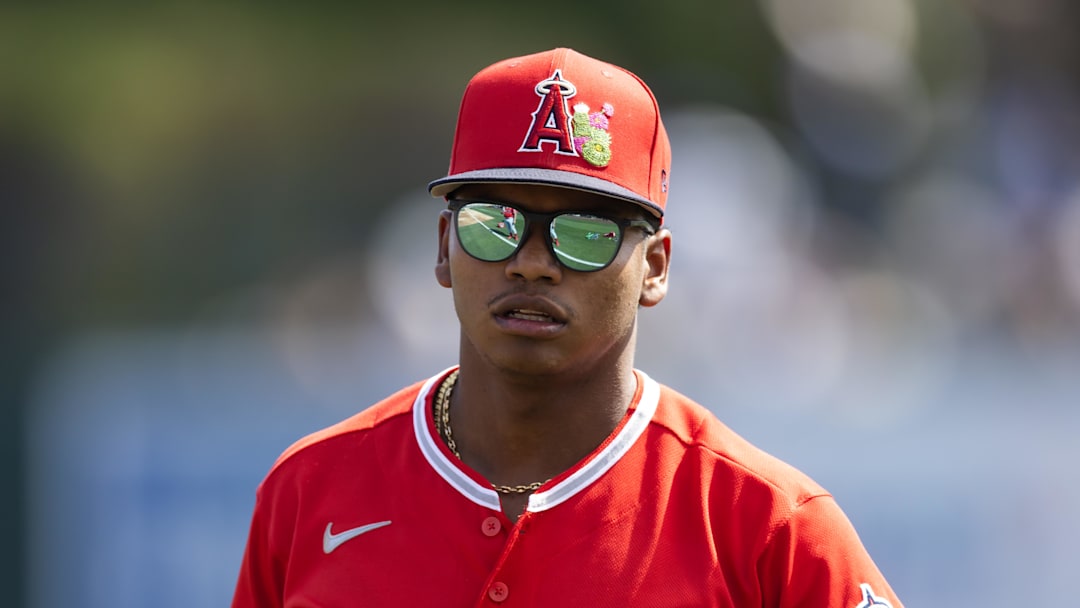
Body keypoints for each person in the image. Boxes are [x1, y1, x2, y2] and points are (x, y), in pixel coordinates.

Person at [231, 47, 904, 607]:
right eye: (494, 224)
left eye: (584, 233)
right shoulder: (310, 489)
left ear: (656, 269)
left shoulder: (767, 523)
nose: (532, 263)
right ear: (443, 247)